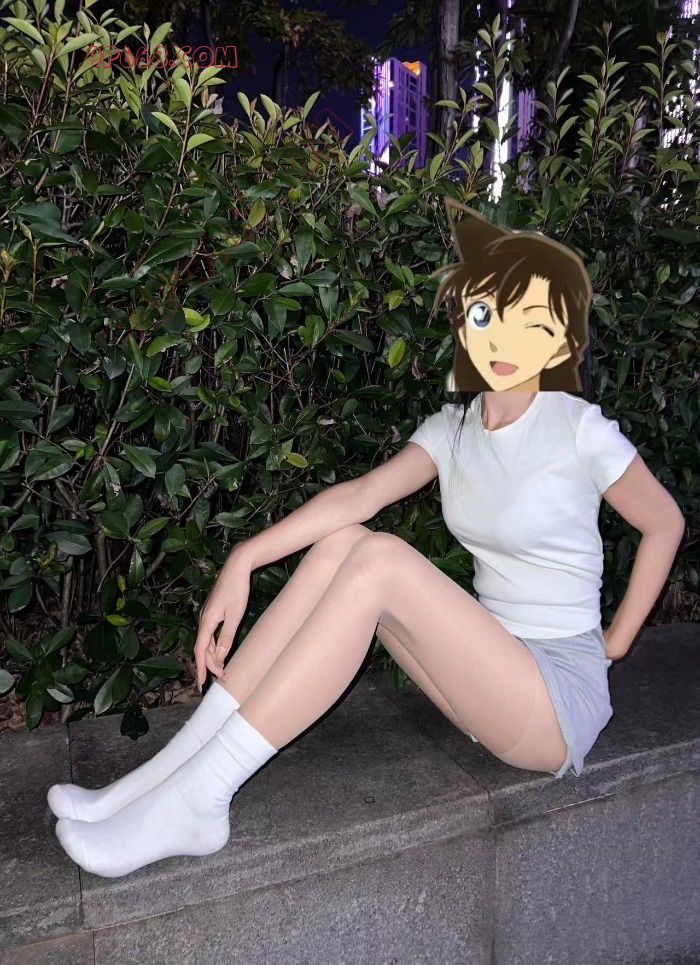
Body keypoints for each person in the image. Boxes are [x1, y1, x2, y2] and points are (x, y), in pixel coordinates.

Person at [48, 217, 686, 880]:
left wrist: (614, 642)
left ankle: (200, 798)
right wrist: (243, 560)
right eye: (487, 314)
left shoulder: (578, 428)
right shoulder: (454, 429)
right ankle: (162, 777)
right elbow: (357, 497)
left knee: (379, 561)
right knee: (346, 542)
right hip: (490, 670)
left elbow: (664, 523)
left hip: (553, 701)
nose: (504, 340)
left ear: (561, 339)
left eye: (532, 323)